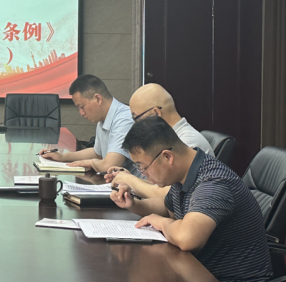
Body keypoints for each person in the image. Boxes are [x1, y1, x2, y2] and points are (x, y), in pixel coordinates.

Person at [111, 117, 273, 282]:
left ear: (167, 157)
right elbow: (167, 208)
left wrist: (160, 222)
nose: (144, 174)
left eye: (143, 167)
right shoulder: (184, 173)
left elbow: (187, 238)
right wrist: (134, 204)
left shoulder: (213, 183)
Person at [105, 83, 214, 198]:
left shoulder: (186, 142)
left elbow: (167, 195)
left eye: (136, 118)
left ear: (156, 113)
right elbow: (166, 187)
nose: (136, 125)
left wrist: (130, 180)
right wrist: (129, 179)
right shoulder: (174, 137)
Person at [39, 74, 136, 174]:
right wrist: (63, 157)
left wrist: (89, 163)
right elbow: (97, 153)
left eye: (82, 107)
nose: (81, 113)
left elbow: (109, 166)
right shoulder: (103, 119)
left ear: (98, 99)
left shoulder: (124, 120)